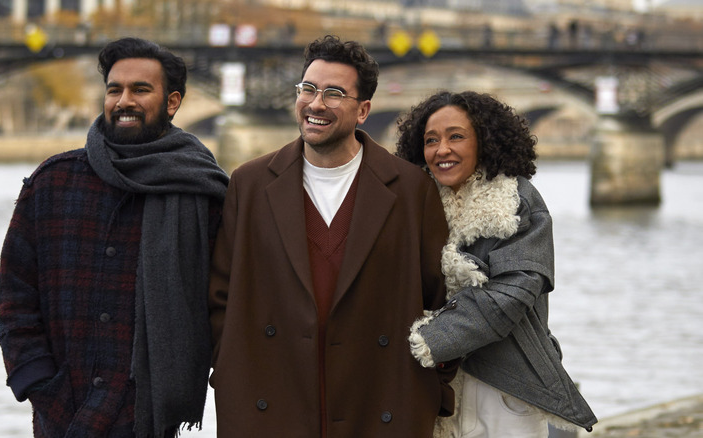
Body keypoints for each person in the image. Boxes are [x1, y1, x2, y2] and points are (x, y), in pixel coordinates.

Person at [208, 35, 456, 437]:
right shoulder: (249, 184)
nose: (316, 103)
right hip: (270, 402)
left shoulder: (412, 190)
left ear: (363, 111)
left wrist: (429, 387)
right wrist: (235, 374)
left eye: (334, 93)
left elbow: (441, 299)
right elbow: (220, 295)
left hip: (379, 403)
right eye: (307, 89)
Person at [0, 37, 229, 437]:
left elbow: (225, 305)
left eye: (140, 90)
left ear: (172, 103)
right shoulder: (53, 183)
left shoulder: (204, 195)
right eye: (114, 89)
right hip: (59, 409)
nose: (124, 101)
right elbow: (14, 292)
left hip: (148, 415)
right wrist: (36, 380)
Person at [396, 90, 597, 437]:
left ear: (484, 142)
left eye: (456, 136)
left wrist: (429, 341)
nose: (442, 149)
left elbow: (512, 293)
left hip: (506, 388)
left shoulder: (517, 202)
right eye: (431, 140)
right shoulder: (413, 206)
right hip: (435, 387)